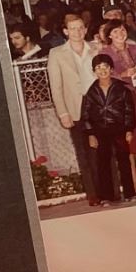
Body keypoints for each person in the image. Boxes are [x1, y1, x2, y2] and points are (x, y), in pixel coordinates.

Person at [46, 12, 104, 207]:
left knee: (103, 149)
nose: (77, 32)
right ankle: (93, 194)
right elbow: (56, 87)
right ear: (65, 31)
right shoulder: (56, 54)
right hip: (75, 108)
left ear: (85, 30)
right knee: (84, 152)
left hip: (99, 106)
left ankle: (108, 191)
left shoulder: (96, 48)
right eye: (72, 29)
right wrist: (63, 112)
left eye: (80, 28)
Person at [98, 21, 136, 197]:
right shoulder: (104, 53)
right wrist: (122, 75)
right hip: (120, 100)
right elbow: (103, 75)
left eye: (122, 30)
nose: (120, 34)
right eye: (115, 31)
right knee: (127, 141)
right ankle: (134, 182)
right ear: (109, 35)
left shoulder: (135, 48)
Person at [79, 54, 136, 206]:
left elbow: (129, 111)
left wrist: (129, 130)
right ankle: (106, 196)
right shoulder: (91, 92)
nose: (102, 70)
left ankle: (130, 193)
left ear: (111, 69)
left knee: (124, 161)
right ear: (94, 72)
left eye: (105, 67)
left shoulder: (122, 89)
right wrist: (91, 134)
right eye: (98, 68)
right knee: (103, 163)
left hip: (119, 129)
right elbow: (86, 115)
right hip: (100, 131)